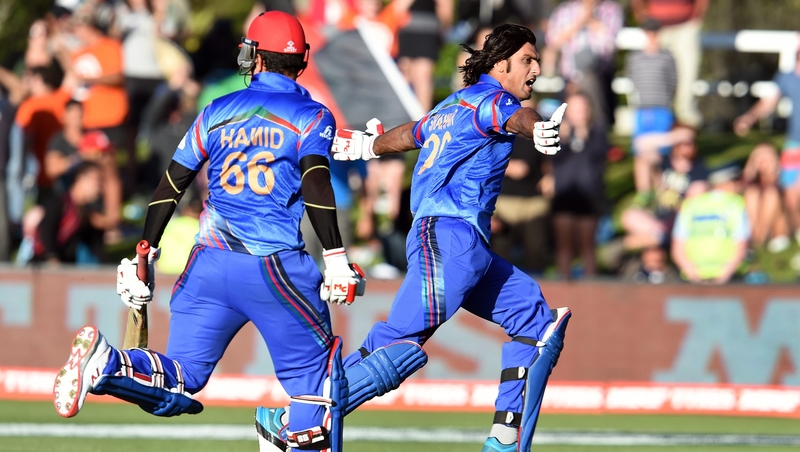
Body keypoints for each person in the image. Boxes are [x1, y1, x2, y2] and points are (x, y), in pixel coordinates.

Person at [53, 12, 365, 452]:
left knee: (181, 380)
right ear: (301, 60)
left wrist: (143, 254)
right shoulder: (312, 114)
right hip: (273, 265)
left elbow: (170, 187)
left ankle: (109, 364)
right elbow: (315, 179)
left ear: (253, 56)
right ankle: (287, 440)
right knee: (318, 384)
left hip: (208, 264)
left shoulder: (216, 110)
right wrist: (334, 255)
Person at [266, 24, 571, 452]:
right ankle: (292, 423)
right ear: (501, 65)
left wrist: (370, 146)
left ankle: (504, 443)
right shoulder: (498, 102)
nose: (537, 67)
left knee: (538, 321)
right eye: (528, 59)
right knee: (398, 346)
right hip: (448, 239)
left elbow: (411, 133)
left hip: (467, 249)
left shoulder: (451, 105)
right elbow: (514, 117)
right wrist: (536, 129)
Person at [733, 48, 800, 247]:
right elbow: (768, 103)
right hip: (794, 144)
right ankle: (794, 232)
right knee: (788, 193)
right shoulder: (786, 77)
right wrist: (749, 117)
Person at [550, 90, 609, 279]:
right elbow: (551, 158)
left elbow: (599, 157)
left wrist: (584, 134)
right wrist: (564, 138)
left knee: (587, 245)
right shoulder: (557, 133)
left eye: (583, 109)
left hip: (589, 194)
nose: (580, 113)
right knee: (564, 245)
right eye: (575, 109)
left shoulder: (597, 132)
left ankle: (590, 286)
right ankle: (563, 283)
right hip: (564, 193)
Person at [544, 0, 623, 130]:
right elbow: (553, 41)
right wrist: (580, 21)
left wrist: (591, 19)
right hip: (570, 76)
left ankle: (597, 136)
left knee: (596, 120)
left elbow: (611, 43)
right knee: (567, 121)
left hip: (599, 77)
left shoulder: (611, 10)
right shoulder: (565, 10)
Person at [631, 0, 709, 128]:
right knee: (654, 76)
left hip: (686, 25)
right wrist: (641, 15)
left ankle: (685, 121)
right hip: (657, 27)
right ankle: (658, 118)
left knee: (687, 74)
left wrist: (697, 16)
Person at [671, 165, 751, 284]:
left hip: (692, 279)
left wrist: (695, 278)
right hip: (729, 279)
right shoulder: (737, 204)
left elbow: (677, 249)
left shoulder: (690, 204)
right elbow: (741, 246)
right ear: (728, 182)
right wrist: (721, 280)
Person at [626, 18, 678, 196]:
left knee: (657, 154)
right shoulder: (635, 58)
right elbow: (633, 80)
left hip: (662, 109)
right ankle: (646, 193)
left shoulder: (667, 56)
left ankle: (659, 191)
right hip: (643, 110)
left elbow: (673, 82)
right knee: (642, 153)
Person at [31, 160, 106, 264]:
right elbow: (46, 230)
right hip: (43, 264)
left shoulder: (85, 213)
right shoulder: (60, 203)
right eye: (96, 181)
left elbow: (95, 246)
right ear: (80, 179)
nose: (99, 187)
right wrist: (52, 257)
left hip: (66, 266)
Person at [741, 143, 790, 252]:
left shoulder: (784, 175)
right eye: (760, 156)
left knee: (770, 194)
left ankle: (759, 238)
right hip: (757, 220)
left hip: (780, 221)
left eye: (767, 156)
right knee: (752, 193)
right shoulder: (750, 181)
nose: (764, 160)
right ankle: (757, 235)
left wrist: (772, 173)